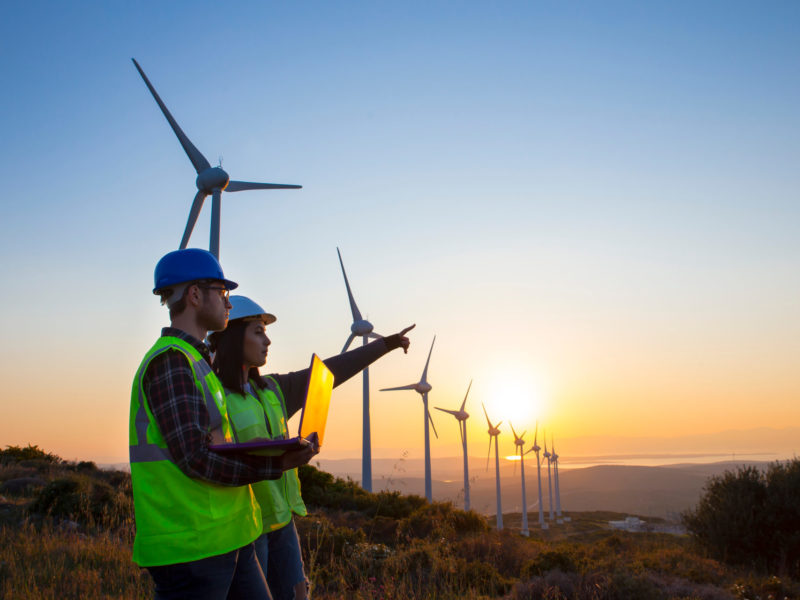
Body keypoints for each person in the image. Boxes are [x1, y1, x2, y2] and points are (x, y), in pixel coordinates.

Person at [129, 249, 318, 600]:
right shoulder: (171, 362)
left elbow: (217, 444)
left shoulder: (198, 363)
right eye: (222, 292)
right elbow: (196, 457)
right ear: (195, 295)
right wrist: (275, 464)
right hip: (192, 548)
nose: (228, 304)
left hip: (230, 536)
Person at [209, 295, 414, 600]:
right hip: (246, 530)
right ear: (233, 337)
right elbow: (215, 460)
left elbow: (330, 373)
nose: (267, 340)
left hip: (283, 523)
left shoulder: (273, 389)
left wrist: (384, 344)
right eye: (258, 331)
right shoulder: (215, 396)